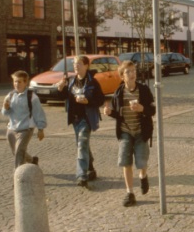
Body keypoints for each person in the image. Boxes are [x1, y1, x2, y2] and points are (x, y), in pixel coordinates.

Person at [103, 61, 156, 207]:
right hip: (125, 131)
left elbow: (152, 110)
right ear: (122, 76)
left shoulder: (144, 90)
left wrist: (142, 109)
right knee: (126, 162)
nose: (132, 74)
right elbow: (117, 114)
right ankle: (129, 193)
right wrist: (109, 112)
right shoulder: (119, 92)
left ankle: (143, 176)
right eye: (128, 72)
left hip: (141, 131)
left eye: (133, 71)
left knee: (141, 162)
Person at [57, 55, 105, 188]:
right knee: (82, 144)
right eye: (74, 64)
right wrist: (60, 88)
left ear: (86, 66)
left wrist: (88, 101)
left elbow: (100, 100)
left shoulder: (92, 82)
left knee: (82, 143)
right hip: (74, 118)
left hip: (86, 118)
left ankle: (81, 175)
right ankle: (90, 168)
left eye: (78, 64)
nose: (75, 66)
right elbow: (64, 97)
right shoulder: (71, 81)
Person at [1, 70, 47, 170]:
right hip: (12, 129)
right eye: (15, 82)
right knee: (16, 151)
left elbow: (38, 113)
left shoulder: (32, 97)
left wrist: (41, 129)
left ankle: (18, 179)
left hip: (26, 129)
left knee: (19, 153)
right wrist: (6, 107)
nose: (17, 84)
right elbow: (5, 113)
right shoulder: (10, 95)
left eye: (19, 82)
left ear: (25, 83)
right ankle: (32, 161)